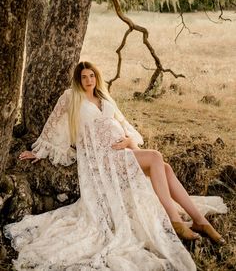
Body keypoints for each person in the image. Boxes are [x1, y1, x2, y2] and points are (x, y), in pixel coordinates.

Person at [4, 61, 226, 271]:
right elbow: (53, 124)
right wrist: (39, 151)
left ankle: (200, 221)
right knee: (157, 158)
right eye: (84, 77)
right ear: (78, 80)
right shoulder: (71, 97)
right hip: (102, 160)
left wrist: (130, 141)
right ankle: (176, 221)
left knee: (165, 168)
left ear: (96, 77)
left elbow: (123, 124)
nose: (89, 80)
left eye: (92, 75)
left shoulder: (104, 97)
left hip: (123, 152)